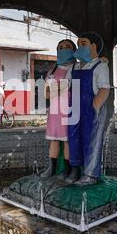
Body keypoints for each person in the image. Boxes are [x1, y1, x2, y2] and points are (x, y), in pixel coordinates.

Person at [66, 32, 110, 186]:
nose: (79, 47)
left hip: (91, 109)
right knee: (73, 137)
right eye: (78, 45)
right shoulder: (74, 67)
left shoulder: (100, 66)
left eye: (83, 44)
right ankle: (75, 169)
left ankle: (90, 174)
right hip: (75, 108)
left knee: (92, 140)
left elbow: (105, 89)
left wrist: (94, 107)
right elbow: (67, 85)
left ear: (94, 46)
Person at [41, 39, 76, 179]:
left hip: (71, 109)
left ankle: (68, 170)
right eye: (60, 47)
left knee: (67, 140)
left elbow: (54, 90)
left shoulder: (77, 67)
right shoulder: (52, 70)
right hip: (55, 111)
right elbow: (47, 94)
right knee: (54, 139)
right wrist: (63, 86)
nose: (63, 49)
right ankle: (52, 168)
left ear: (74, 50)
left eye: (67, 47)